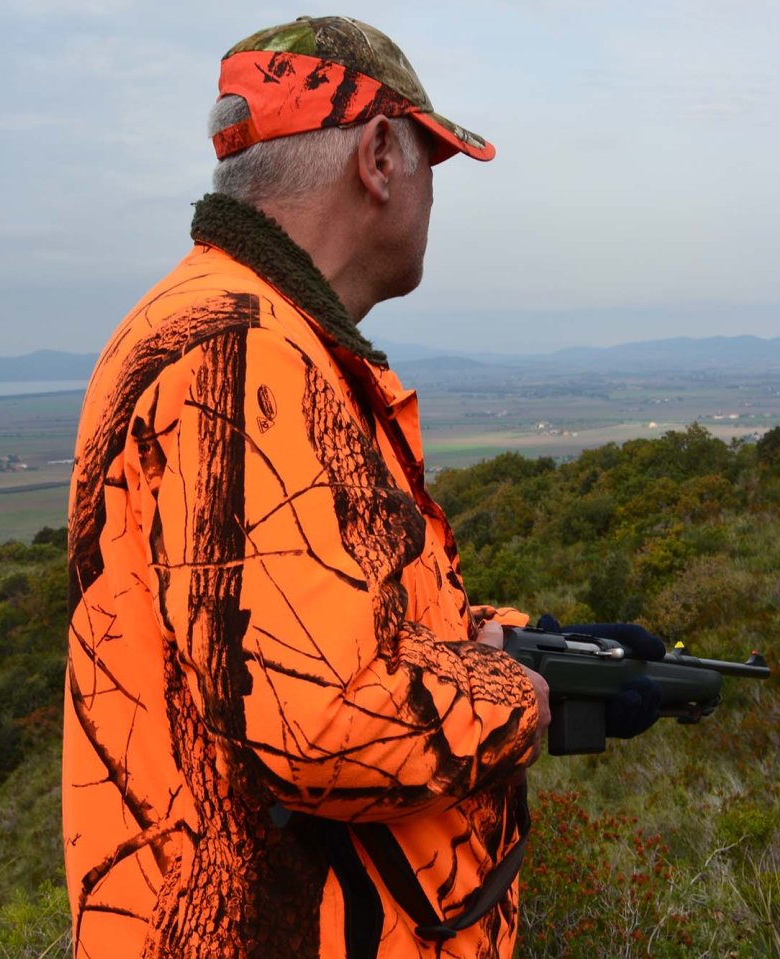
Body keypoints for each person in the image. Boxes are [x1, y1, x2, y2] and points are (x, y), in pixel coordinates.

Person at [62, 16, 551, 958]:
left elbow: (283, 622)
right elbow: (316, 718)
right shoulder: (242, 351)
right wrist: (525, 695)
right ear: (378, 155)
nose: (430, 197)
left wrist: (488, 635)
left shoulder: (218, 323)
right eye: (430, 163)